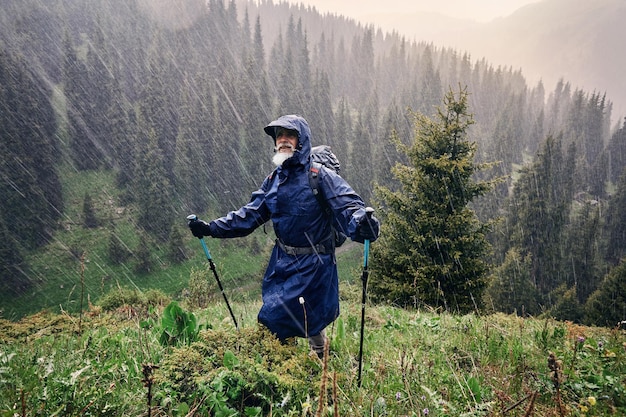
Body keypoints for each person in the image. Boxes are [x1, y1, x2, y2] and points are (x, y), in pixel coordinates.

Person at [188, 114, 380, 357]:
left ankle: (303, 362)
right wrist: (211, 228)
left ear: (302, 140)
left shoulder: (320, 176)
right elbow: (249, 216)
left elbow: (348, 207)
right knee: (286, 316)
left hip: (314, 263)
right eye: (279, 136)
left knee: (286, 318)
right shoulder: (274, 180)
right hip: (282, 262)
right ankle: (299, 361)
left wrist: (363, 223)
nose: (283, 140)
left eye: (290, 135)